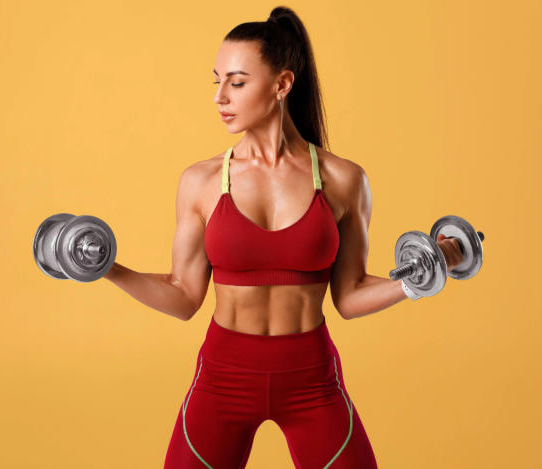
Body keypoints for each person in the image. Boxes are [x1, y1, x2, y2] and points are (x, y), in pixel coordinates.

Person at [105, 6, 463, 469]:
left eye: (236, 82)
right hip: (223, 379)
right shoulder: (201, 182)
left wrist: (421, 277)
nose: (219, 97)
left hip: (312, 381)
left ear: (281, 85)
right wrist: (106, 269)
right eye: (216, 81)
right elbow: (184, 297)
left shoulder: (343, 180)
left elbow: (349, 297)